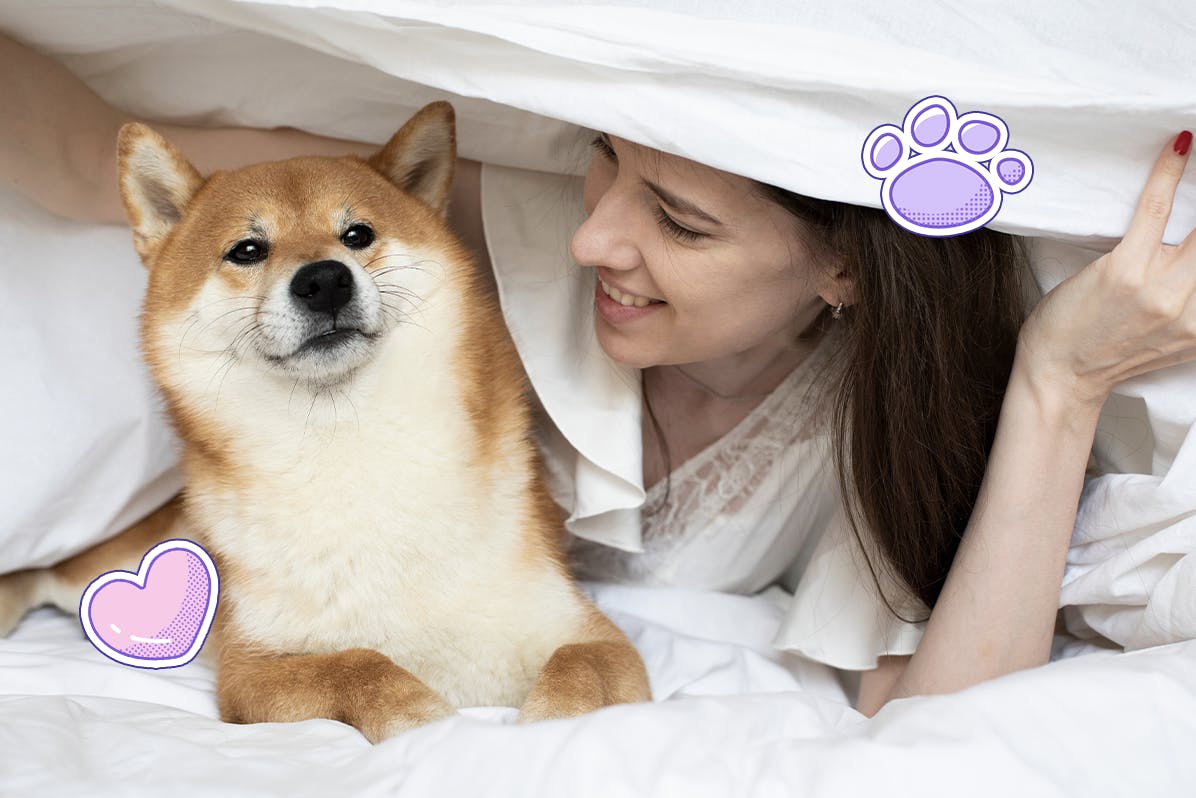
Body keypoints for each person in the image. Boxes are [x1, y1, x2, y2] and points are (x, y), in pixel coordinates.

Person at [3, 32, 1195, 718]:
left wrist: (1055, 380)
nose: (590, 242)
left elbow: (944, 715)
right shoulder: (464, 235)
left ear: (843, 272)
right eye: (603, 166)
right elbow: (99, 159)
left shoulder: (858, 433)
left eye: (675, 222)